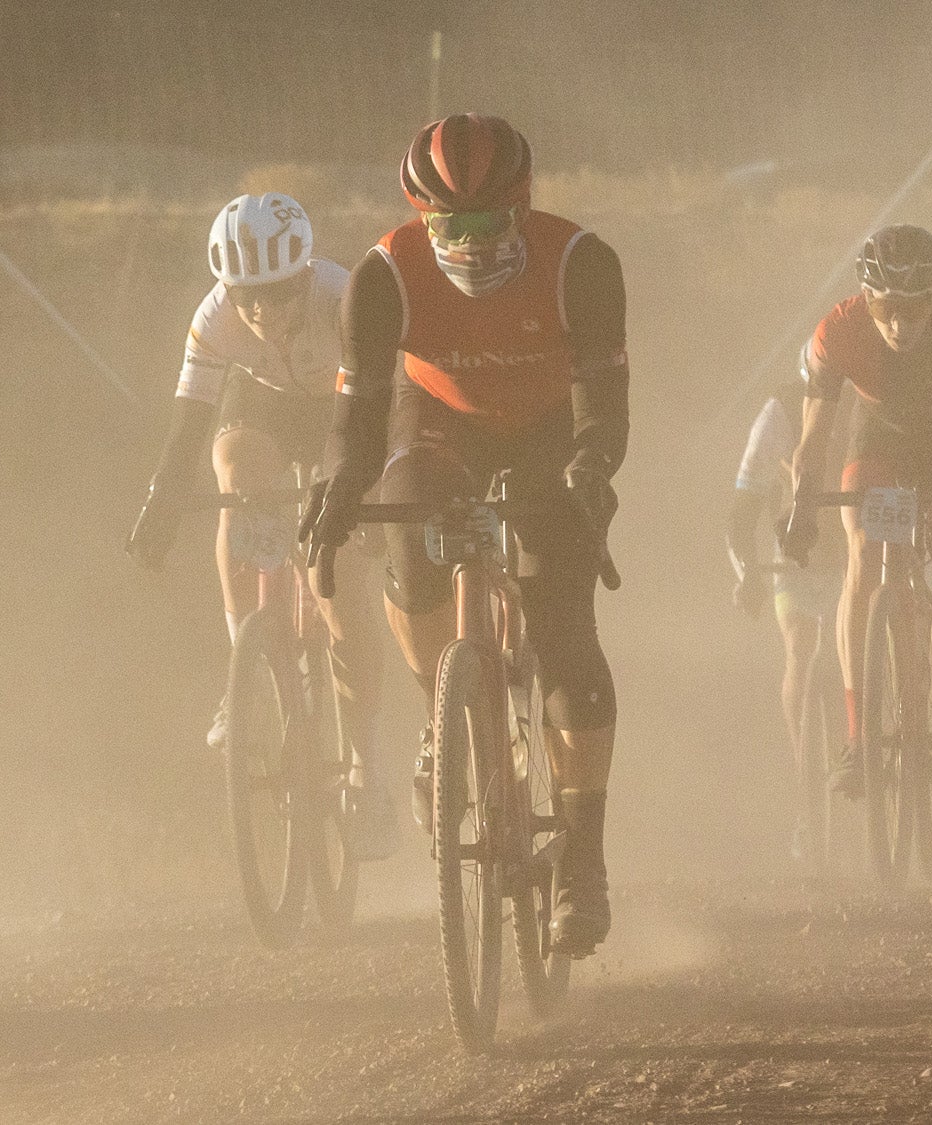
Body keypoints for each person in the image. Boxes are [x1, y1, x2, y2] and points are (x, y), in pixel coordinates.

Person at [299, 114, 628, 957]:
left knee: (564, 633)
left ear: (523, 207)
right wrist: (340, 480)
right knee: (404, 541)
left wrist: (589, 475)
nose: (471, 245)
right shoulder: (383, 276)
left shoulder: (582, 264)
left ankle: (582, 860)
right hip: (437, 421)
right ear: (418, 217)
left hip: (550, 428)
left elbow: (604, 408)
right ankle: (445, 710)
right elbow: (358, 414)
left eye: (488, 224)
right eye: (448, 226)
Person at [125, 192, 394, 859]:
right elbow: (191, 418)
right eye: (247, 295)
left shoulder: (345, 296)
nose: (263, 311)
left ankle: (365, 763)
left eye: (277, 294)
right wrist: (161, 498)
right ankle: (244, 663)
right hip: (265, 411)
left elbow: (384, 403)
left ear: (305, 276)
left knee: (341, 593)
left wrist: (363, 491)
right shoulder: (214, 316)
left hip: (344, 412)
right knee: (237, 479)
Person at [776, 224, 932, 795]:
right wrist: (802, 506)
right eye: (886, 308)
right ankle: (859, 735)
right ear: (867, 299)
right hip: (876, 441)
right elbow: (814, 438)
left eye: (915, 308)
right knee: (862, 557)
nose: (900, 324)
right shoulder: (838, 330)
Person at [728, 346, 844, 858]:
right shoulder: (778, 410)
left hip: (860, 548)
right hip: (796, 554)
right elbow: (742, 508)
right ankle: (807, 799)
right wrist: (746, 570)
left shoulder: (872, 401)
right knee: (800, 648)